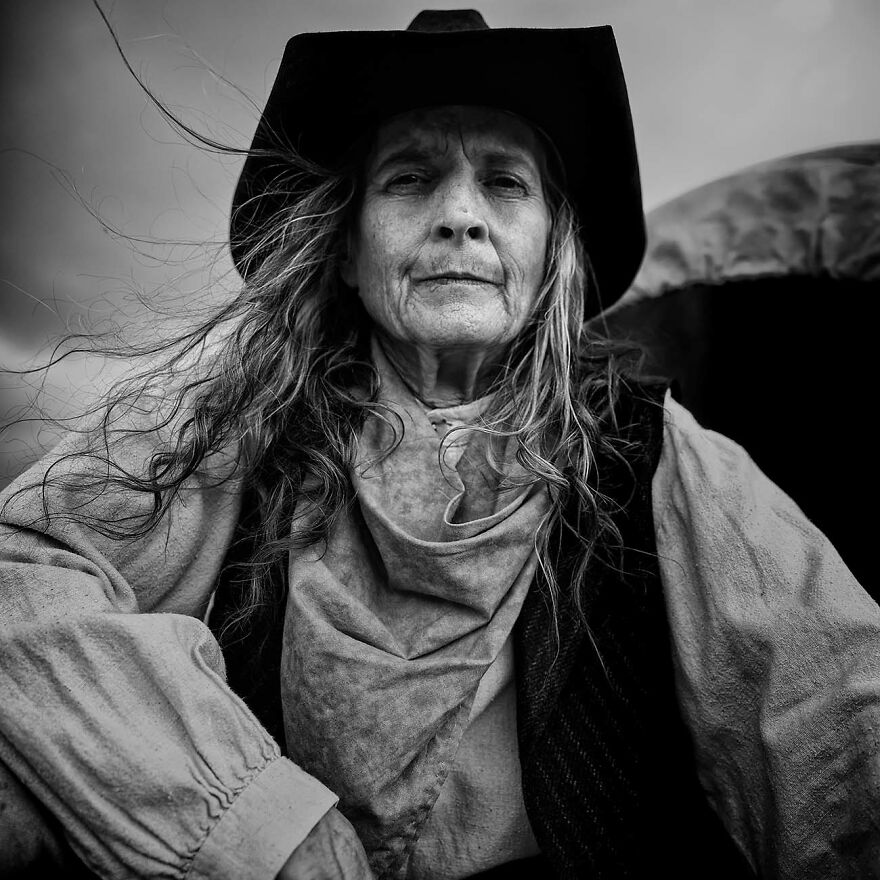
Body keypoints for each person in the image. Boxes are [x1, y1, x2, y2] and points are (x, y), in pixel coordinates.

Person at [1, 9, 879, 880]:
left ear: (550, 251)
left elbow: (834, 722)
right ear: (346, 248)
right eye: (410, 180)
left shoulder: (660, 459)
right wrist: (251, 828)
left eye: (504, 183)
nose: (460, 214)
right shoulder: (241, 424)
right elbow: (20, 569)